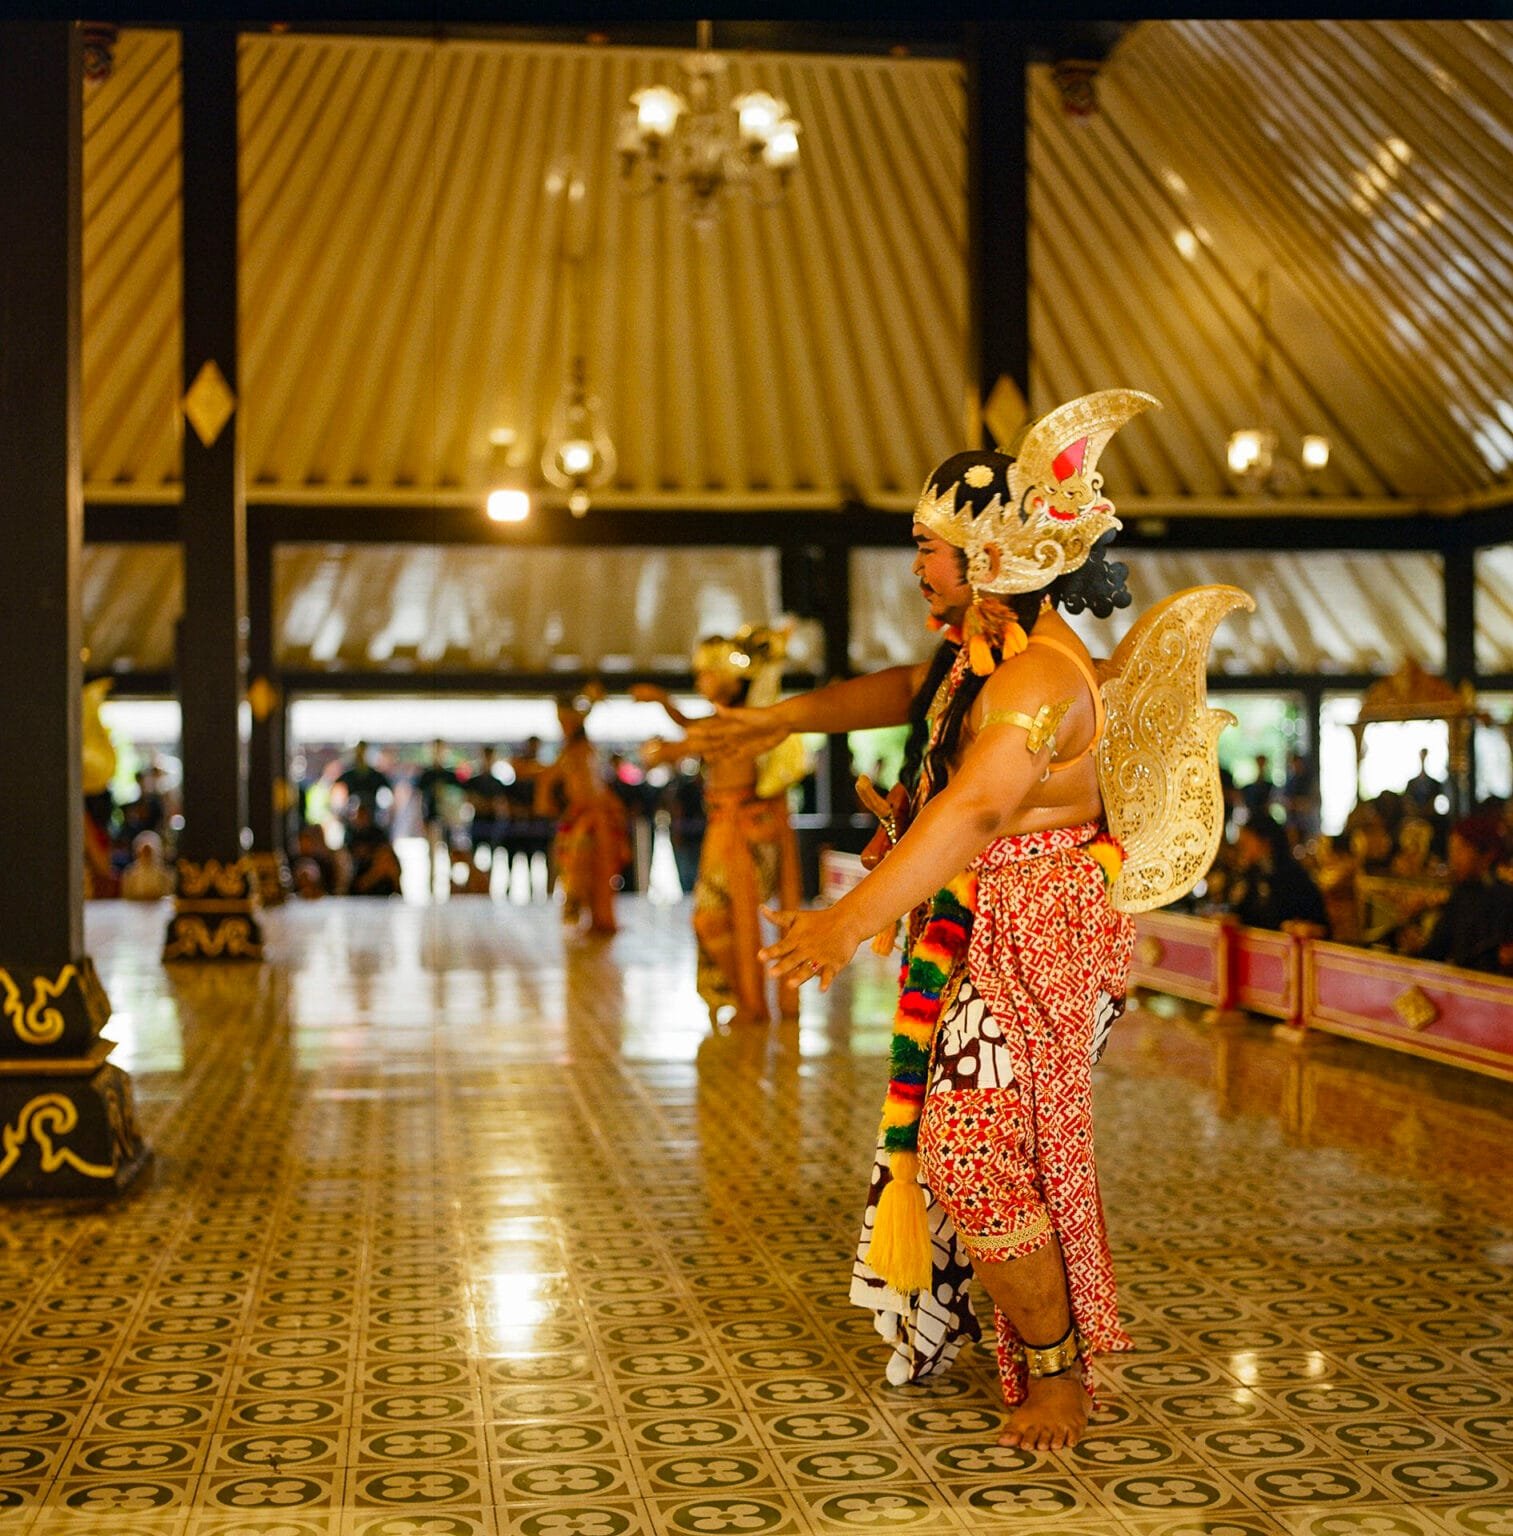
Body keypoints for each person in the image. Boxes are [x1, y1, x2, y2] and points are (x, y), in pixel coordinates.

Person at [687, 390, 1226, 1451]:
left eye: (930, 546)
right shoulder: (980, 656)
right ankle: (1010, 1326)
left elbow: (975, 809)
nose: (918, 567)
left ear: (991, 550)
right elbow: (903, 692)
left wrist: (851, 918)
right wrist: (779, 716)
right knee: (971, 1152)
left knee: (976, 1152)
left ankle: (1060, 1369)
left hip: (1042, 933)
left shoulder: (1035, 675)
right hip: (991, 920)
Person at [636, 628, 809, 1027]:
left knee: (718, 917)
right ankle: (739, 995)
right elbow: (696, 729)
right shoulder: (725, 721)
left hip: (742, 832)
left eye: (707, 674)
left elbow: (700, 738)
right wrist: (664, 708)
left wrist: (669, 748)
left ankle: (749, 1000)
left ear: (732, 678)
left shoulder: (745, 721)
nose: (701, 682)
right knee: (713, 918)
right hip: (725, 827)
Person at [535, 690, 629, 936]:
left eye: (565, 721)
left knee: (593, 869)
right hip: (582, 816)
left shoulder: (583, 750)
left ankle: (599, 919)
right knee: (576, 869)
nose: (562, 726)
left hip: (594, 817)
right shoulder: (570, 753)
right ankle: (587, 917)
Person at [1409, 814, 1513, 974]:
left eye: (1461, 849)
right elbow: (1438, 948)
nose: (1454, 859)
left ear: (1487, 855)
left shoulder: (1505, 898)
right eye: (1452, 850)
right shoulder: (1461, 894)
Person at [1228, 816, 1328, 932]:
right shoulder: (1250, 875)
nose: (1242, 847)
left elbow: (1318, 922)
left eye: (1247, 841)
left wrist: (1304, 928)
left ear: (1265, 841)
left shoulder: (1294, 877)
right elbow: (1243, 913)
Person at [412, 739, 460, 897]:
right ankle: (432, 888)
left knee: (450, 854)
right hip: (431, 820)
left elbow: (458, 798)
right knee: (432, 855)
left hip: (447, 821)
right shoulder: (426, 775)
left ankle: (452, 886)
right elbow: (419, 800)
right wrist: (420, 820)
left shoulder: (450, 775)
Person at [465, 746, 510, 868]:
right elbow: (471, 800)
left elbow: (500, 804)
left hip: (492, 823)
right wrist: (486, 804)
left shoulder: (497, 783)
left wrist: (486, 804)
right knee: (473, 855)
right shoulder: (474, 781)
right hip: (478, 821)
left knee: (492, 857)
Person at [346, 801, 402, 897]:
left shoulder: (377, 833)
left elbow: (385, 853)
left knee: (386, 862)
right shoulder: (351, 834)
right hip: (359, 874)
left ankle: (398, 893)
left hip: (376, 874)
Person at [336, 742, 393, 831]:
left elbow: (390, 792)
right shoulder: (348, 776)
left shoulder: (376, 776)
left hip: (372, 823)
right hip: (353, 824)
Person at [120, 830, 174, 901]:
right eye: (144, 851)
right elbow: (126, 898)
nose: (146, 854)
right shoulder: (129, 874)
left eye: (149, 851)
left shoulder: (165, 875)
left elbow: (168, 896)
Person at [1405, 748, 1446, 813]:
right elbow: (1407, 801)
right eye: (1422, 755)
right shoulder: (1411, 783)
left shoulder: (1435, 784)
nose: (1423, 758)